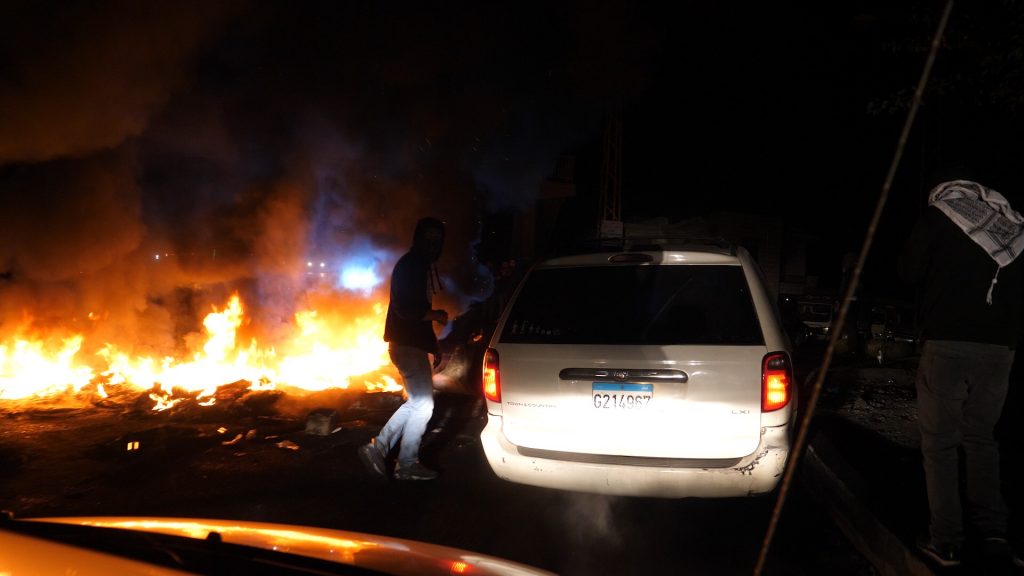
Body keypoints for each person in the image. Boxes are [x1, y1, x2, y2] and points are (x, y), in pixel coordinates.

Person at [898, 174, 1024, 571]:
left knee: (940, 443)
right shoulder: (1011, 226)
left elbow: (907, 272)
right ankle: (994, 535)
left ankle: (946, 541)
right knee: (982, 440)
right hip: (1000, 350)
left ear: (946, 194)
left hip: (948, 345)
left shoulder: (938, 217)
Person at [358, 217, 449, 481]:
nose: (433, 244)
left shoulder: (420, 266)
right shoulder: (411, 266)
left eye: (437, 240)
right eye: (428, 239)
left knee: (419, 402)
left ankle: (394, 457)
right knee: (423, 404)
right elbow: (405, 309)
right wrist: (436, 314)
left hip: (413, 345)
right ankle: (393, 456)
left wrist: (435, 346)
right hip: (406, 345)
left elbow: (417, 314)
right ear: (418, 239)